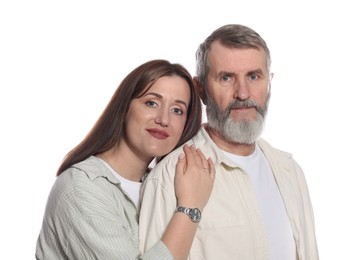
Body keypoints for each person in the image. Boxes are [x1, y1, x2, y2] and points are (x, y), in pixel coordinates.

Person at [139, 25, 319, 260]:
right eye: (227, 78)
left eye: (254, 76)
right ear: (201, 89)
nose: (243, 93)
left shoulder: (291, 172)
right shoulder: (169, 176)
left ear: (269, 82)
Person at [35, 59, 215, 260]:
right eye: (151, 103)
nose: (164, 119)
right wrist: (190, 207)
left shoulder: (164, 183)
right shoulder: (81, 187)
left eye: (177, 110)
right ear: (125, 108)